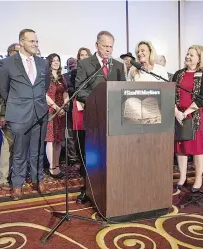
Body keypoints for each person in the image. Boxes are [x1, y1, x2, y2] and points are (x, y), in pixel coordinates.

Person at [75, 31, 126, 204]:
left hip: (113, 119)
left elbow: (123, 91)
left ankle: (111, 186)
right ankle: (88, 189)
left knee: (111, 154)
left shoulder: (118, 66)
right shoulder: (85, 64)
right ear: (96, 45)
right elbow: (79, 90)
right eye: (105, 46)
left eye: (111, 47)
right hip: (94, 117)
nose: (108, 50)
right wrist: (97, 99)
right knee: (92, 155)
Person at [0, 29, 49, 200]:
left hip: (40, 112)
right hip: (19, 114)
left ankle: (37, 179)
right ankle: (17, 184)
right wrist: (17, 104)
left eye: (36, 41)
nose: (35, 44)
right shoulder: (8, 63)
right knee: (19, 151)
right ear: (21, 42)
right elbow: (3, 89)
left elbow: (45, 86)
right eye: (32, 41)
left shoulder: (42, 63)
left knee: (38, 151)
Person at [173, 45, 203, 193]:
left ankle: (198, 178)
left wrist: (187, 111)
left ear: (199, 58)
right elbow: (170, 94)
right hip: (178, 114)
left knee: (196, 149)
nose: (188, 57)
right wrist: (177, 112)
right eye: (187, 54)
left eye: (192, 55)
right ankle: (182, 177)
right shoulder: (178, 74)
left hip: (195, 115)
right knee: (180, 147)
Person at [0, 43, 20, 190]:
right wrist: (1, 114)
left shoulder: (24, 69)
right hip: (7, 113)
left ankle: (17, 177)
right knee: (7, 146)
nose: (19, 54)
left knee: (21, 147)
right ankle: (3, 178)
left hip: (23, 114)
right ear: (10, 53)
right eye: (16, 51)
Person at [45, 53, 69, 178]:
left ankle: (57, 165)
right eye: (53, 60)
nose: (56, 62)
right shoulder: (45, 76)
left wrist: (65, 105)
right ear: (49, 62)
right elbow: (45, 95)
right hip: (50, 111)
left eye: (58, 60)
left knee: (59, 140)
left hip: (61, 112)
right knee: (51, 139)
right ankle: (51, 167)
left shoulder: (62, 77)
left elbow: (65, 93)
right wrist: (56, 107)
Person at [72, 47, 92, 165]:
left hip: (93, 104)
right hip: (79, 105)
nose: (83, 57)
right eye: (81, 55)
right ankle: (82, 161)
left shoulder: (95, 70)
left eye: (86, 55)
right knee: (80, 136)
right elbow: (72, 88)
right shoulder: (75, 72)